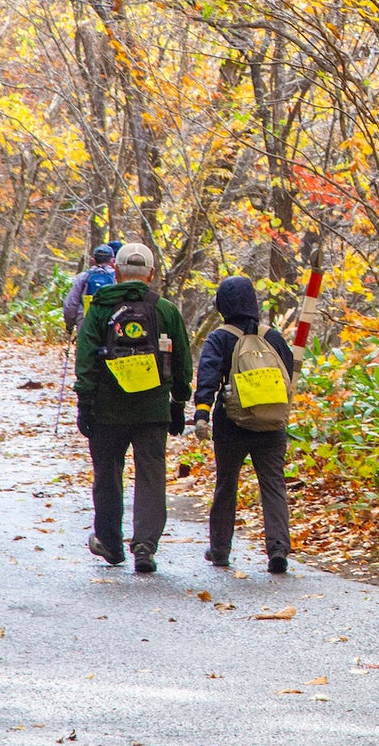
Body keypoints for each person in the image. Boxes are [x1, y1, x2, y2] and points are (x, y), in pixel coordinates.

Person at [74, 242, 193, 574]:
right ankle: (144, 546)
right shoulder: (166, 310)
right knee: (151, 475)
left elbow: (85, 358)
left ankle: (110, 543)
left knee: (108, 475)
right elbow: (183, 362)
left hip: (107, 410)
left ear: (116, 271)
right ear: (151, 275)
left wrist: (85, 402)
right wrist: (179, 402)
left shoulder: (100, 309)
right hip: (153, 409)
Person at [193, 276, 296, 574]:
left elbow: (208, 376)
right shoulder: (273, 337)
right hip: (272, 425)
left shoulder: (219, 338)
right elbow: (287, 372)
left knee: (226, 484)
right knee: (273, 486)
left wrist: (202, 412)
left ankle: (221, 550)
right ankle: (278, 549)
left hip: (232, 425)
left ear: (221, 304)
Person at [62, 243, 117, 335]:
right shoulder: (117, 278)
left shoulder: (83, 277)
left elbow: (70, 304)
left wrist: (70, 324)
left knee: (85, 348)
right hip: (110, 324)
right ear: (112, 261)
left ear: (93, 260)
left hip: (86, 323)